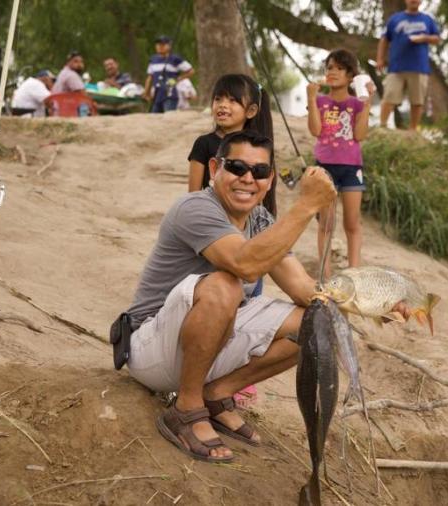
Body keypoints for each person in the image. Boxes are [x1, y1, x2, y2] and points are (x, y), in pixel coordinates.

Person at [121, 130, 418, 461]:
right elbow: (244, 264)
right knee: (225, 284)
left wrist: (371, 306)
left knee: (320, 319)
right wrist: (306, 205)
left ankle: (217, 393)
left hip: (203, 347)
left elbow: (304, 288)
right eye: (236, 167)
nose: (248, 179)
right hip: (151, 350)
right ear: (214, 166)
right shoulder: (195, 207)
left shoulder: (260, 219)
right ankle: (186, 408)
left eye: (260, 172)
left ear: (270, 178)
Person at [308, 49, 373, 278]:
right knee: (326, 222)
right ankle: (325, 275)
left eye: (339, 68)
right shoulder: (319, 100)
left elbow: (360, 135)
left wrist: (367, 103)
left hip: (352, 167)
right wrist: (310, 98)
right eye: (329, 68)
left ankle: (354, 275)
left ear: (350, 76)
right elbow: (316, 130)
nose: (332, 72)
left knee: (352, 222)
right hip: (325, 166)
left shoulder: (357, 103)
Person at [187, 74, 276, 214]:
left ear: (251, 111)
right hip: (210, 218)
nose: (223, 105)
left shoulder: (256, 147)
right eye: (218, 99)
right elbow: (193, 195)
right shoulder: (203, 143)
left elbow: (257, 191)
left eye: (232, 100)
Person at [375, 0, 441, 131]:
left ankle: (413, 130)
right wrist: (380, 59)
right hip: (396, 67)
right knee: (389, 97)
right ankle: (382, 126)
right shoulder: (395, 19)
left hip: (419, 67)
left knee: (417, 101)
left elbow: (437, 39)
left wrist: (424, 38)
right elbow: (384, 39)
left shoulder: (427, 20)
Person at [142, 35, 194, 113]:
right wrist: (146, 93)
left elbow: (190, 71)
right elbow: (150, 77)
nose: (160, 46)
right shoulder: (153, 60)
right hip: (157, 95)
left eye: (163, 44)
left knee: (168, 117)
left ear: (169, 46)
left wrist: (178, 79)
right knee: (154, 117)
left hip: (169, 94)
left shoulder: (175, 59)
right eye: (158, 44)